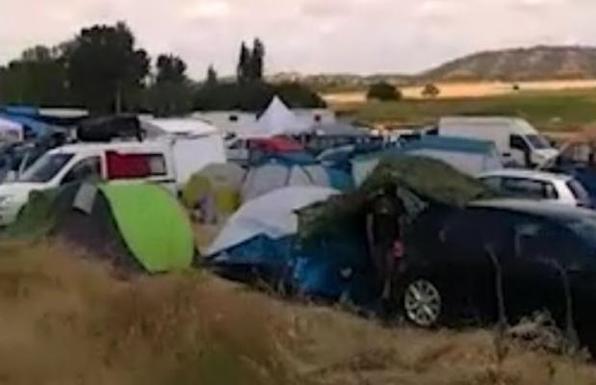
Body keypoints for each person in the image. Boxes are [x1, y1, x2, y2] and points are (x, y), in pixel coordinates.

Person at [366, 183, 406, 310]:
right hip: (387, 240)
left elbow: (371, 221)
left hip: (385, 241)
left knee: (384, 270)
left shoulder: (378, 201)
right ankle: (384, 297)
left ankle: (384, 297)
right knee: (387, 270)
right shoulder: (395, 202)